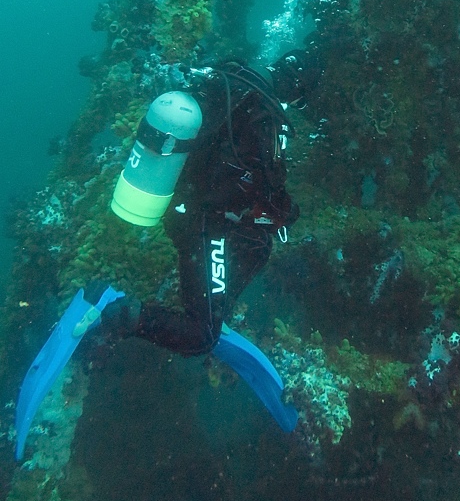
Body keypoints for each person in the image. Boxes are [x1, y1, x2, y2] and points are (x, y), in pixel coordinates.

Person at [15, 51, 319, 460]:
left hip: (175, 208)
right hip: (202, 225)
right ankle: (114, 309)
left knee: (257, 246)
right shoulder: (265, 117)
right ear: (297, 89)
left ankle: (211, 300)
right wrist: (281, 211)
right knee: (201, 336)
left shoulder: (230, 80)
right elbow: (259, 187)